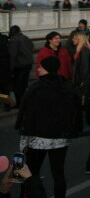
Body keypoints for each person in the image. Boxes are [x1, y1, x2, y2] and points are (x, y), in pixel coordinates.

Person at [15, 56, 81, 198]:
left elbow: (27, 116)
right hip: (60, 139)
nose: (37, 68)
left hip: (37, 139)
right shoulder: (67, 86)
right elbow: (75, 111)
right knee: (58, 174)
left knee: (31, 172)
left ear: (47, 69)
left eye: (41, 67)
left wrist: (23, 142)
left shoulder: (36, 89)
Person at [8, 25, 33, 107]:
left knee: (17, 86)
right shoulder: (26, 37)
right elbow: (32, 46)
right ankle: (25, 102)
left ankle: (19, 103)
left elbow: (12, 55)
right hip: (28, 63)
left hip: (19, 66)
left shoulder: (13, 40)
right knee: (24, 84)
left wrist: (10, 68)